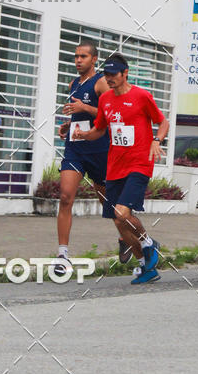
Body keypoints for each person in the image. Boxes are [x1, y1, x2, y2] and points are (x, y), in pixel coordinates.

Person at [73, 53, 169, 285]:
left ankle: (147, 243)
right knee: (118, 222)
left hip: (139, 163)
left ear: (125, 73)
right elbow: (100, 129)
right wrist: (84, 134)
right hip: (115, 166)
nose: (110, 78)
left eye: (114, 74)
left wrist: (157, 140)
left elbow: (162, 121)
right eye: (106, 74)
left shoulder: (142, 96)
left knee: (122, 213)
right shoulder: (105, 99)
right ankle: (145, 265)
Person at [55, 41, 110, 273]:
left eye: (84, 56)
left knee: (110, 207)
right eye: (76, 56)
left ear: (94, 59)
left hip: (99, 150)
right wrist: (69, 124)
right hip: (75, 148)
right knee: (66, 197)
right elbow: (80, 113)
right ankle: (63, 255)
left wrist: (85, 109)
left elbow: (111, 114)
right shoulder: (74, 83)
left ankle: (129, 238)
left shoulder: (102, 83)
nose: (78, 60)